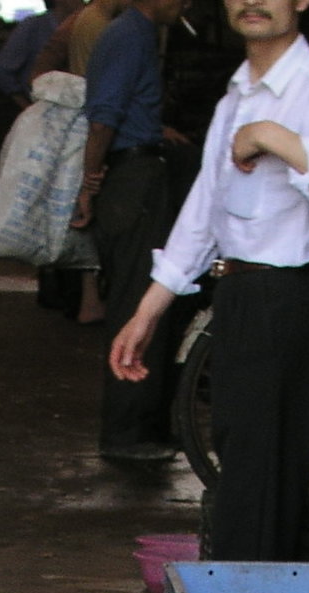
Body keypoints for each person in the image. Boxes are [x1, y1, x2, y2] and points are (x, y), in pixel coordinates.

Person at [107, 0, 309, 593]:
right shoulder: (238, 94)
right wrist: (150, 308)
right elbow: (204, 207)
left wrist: (277, 139)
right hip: (243, 295)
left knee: (255, 498)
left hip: (286, 303)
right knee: (260, 491)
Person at [76, 0, 189, 460]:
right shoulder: (129, 33)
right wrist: (89, 180)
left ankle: (143, 424)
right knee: (134, 302)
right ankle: (126, 432)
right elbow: (104, 116)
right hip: (131, 179)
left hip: (138, 171)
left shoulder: (136, 33)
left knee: (142, 298)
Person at [0, 0, 75, 100]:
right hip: (40, 101)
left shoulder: (82, 26)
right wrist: (22, 102)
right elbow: (2, 68)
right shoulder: (33, 26)